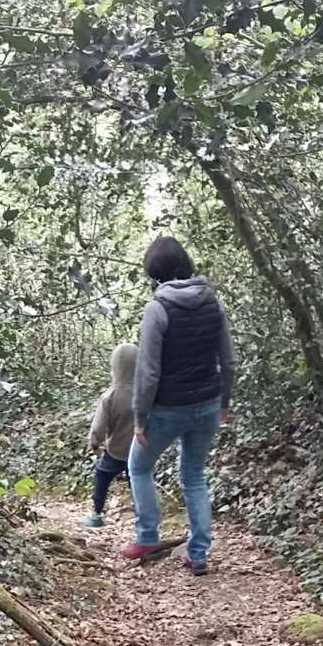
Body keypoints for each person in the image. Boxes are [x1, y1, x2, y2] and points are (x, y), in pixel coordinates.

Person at [122, 235, 234, 576]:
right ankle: (198, 554)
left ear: (155, 273)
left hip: (168, 408)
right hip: (207, 402)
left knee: (139, 466)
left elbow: (148, 371)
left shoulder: (157, 309)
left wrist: (139, 417)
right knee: (195, 475)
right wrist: (224, 402)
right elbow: (228, 361)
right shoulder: (212, 303)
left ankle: (148, 537)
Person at [82, 341, 139, 529]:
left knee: (102, 476)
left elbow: (98, 426)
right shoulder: (145, 393)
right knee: (138, 483)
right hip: (140, 450)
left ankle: (96, 514)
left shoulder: (111, 396)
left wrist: (94, 442)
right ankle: (143, 519)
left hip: (116, 451)